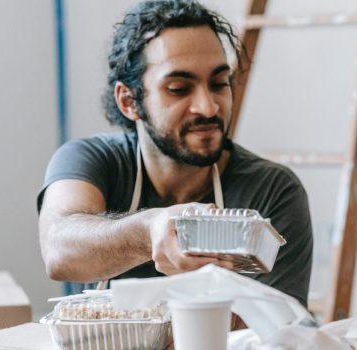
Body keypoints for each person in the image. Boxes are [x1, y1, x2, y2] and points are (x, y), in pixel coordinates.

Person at [37, 0, 313, 308]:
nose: (208, 107)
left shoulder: (273, 190)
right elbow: (59, 251)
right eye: (179, 89)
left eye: (219, 83)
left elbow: (280, 330)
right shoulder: (89, 161)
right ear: (129, 101)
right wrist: (150, 230)